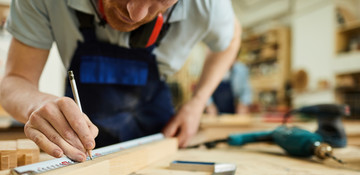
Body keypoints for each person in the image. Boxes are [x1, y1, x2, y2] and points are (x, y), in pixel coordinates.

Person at [0, 0, 240, 162]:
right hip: (81, 149)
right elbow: (15, 81)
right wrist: (35, 103)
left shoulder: (209, 5)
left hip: (158, 143)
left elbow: (230, 41)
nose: (135, 14)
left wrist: (197, 103)